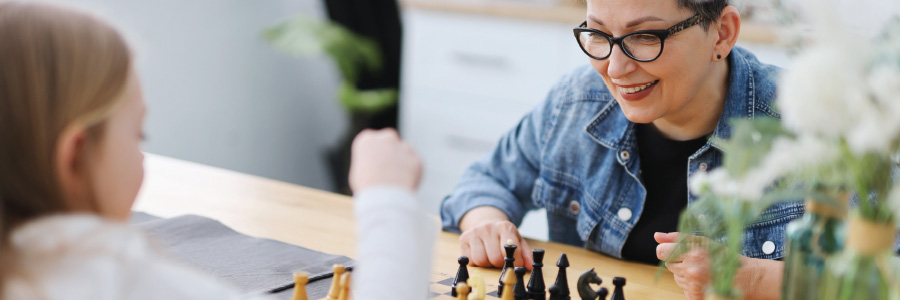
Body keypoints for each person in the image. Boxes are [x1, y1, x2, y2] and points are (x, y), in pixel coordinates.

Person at [0, 2, 432, 299]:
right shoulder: (112, 277)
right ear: (75, 158)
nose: (143, 157)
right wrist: (387, 199)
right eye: (138, 135)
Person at [440, 0, 793, 299]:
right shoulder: (577, 100)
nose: (615, 68)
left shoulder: (810, 128)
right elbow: (485, 182)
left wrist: (753, 279)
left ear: (723, 33)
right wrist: (487, 224)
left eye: (645, 37)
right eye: (598, 34)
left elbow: (847, 281)